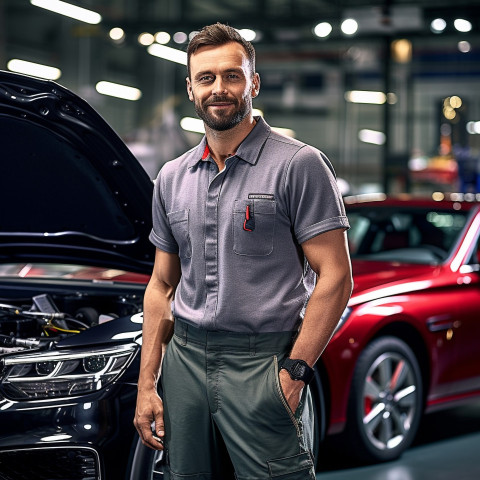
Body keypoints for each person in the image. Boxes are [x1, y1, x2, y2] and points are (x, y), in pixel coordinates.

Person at [134, 22, 353, 480]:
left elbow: (335, 276)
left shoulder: (298, 165)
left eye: (232, 76)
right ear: (191, 88)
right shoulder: (171, 178)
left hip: (263, 362)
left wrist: (294, 373)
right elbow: (161, 284)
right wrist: (147, 383)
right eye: (207, 77)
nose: (220, 88)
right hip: (185, 363)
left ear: (252, 82)